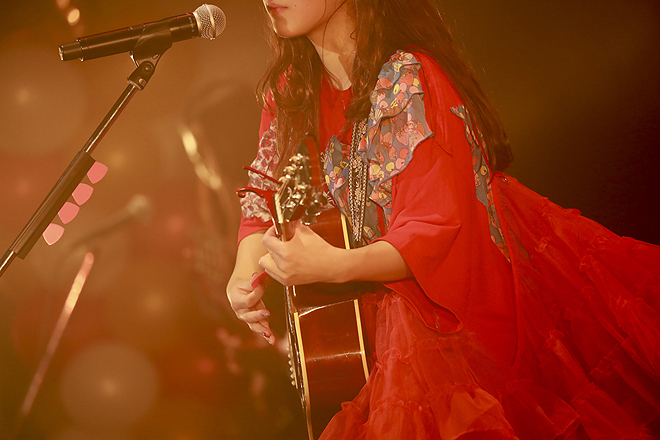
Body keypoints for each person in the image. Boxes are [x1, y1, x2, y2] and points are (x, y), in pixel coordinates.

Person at [226, 0, 660, 438]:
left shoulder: (407, 76)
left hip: (454, 310)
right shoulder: (293, 89)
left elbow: (432, 230)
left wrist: (335, 265)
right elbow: (264, 194)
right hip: (378, 307)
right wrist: (243, 274)